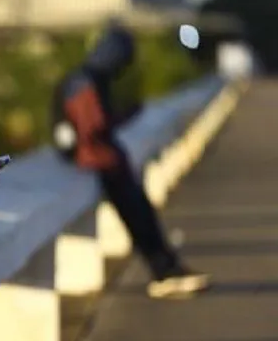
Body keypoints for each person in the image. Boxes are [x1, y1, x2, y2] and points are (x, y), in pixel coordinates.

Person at [51, 22, 210, 298]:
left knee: (141, 211)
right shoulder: (85, 81)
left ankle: (167, 267)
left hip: (97, 157)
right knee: (138, 214)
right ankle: (164, 270)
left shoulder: (86, 77)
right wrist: (124, 115)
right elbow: (92, 127)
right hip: (96, 160)